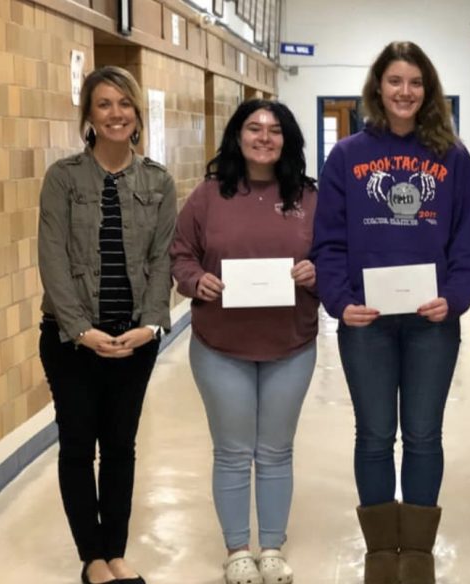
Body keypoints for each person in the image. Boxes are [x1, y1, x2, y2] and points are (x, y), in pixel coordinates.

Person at [311, 41, 470, 584]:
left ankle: (419, 555)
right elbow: (328, 243)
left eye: (415, 83)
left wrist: (454, 299)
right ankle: (381, 555)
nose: (405, 92)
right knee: (374, 435)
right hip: (367, 324)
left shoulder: (453, 158)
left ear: (427, 91)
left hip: (433, 321)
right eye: (395, 82)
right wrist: (341, 302)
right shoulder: (346, 157)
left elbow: (469, 243)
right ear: (378, 89)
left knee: (424, 436)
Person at [170, 99, 318, 584]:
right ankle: (238, 550)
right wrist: (196, 282)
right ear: (237, 136)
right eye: (253, 128)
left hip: (290, 345)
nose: (263, 137)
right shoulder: (210, 195)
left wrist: (315, 271)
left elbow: (333, 258)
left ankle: (271, 547)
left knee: (276, 450)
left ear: (287, 140)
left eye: (274, 130)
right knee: (233, 450)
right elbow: (181, 255)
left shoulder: (308, 198)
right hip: (220, 345)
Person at [37, 66, 175, 584]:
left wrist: (152, 324)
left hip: (135, 339)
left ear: (137, 113)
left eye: (125, 103)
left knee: (120, 447)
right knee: (78, 446)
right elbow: (51, 259)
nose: (116, 113)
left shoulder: (158, 181)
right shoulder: (64, 179)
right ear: (89, 116)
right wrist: (79, 330)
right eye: (104, 104)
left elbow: (162, 259)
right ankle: (92, 559)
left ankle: (116, 551)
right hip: (72, 341)